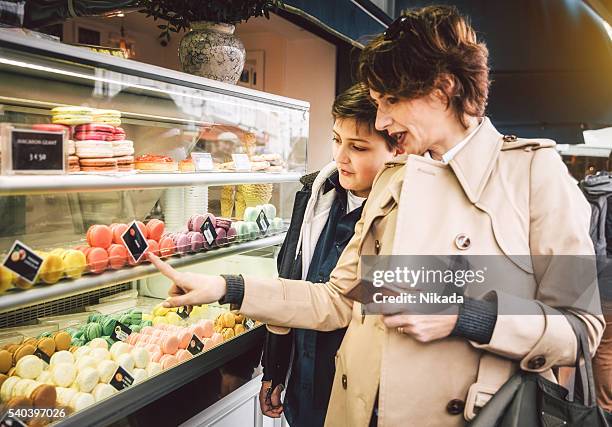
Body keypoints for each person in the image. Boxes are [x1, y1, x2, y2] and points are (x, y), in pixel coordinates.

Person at [148, 6, 604, 426]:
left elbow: (581, 329)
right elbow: (338, 300)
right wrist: (227, 287)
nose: (381, 121)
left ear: (443, 90)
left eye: (389, 101)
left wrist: (466, 317)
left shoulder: (532, 174)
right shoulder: (396, 179)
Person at [259, 83, 401, 426]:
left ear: (397, 150)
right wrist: (275, 367)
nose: (340, 157)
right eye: (337, 140)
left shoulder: (404, 216)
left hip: (360, 400)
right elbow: (289, 278)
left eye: (358, 147)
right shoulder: (313, 194)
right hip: (302, 388)